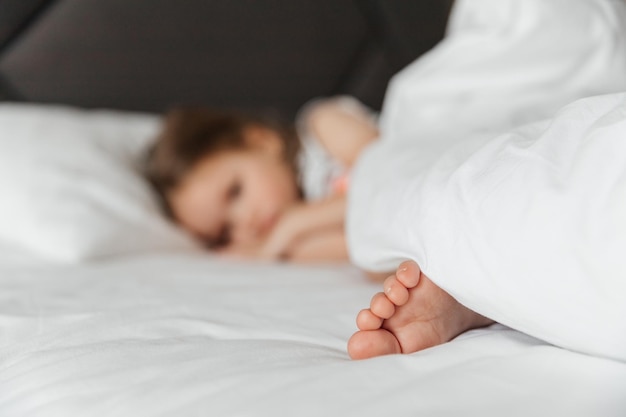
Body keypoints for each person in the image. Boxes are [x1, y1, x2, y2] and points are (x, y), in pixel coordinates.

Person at [145, 96, 379, 264]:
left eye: (235, 192)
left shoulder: (323, 126)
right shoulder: (293, 246)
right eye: (225, 233)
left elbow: (387, 180)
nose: (245, 222)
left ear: (263, 142)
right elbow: (377, 247)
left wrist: (293, 224)